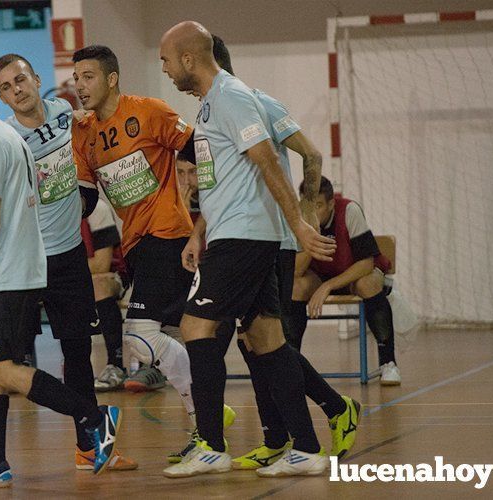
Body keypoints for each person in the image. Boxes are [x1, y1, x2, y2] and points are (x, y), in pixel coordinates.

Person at [0, 62, 121, 488]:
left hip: (23, 266)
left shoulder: (1, 138)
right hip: (11, 266)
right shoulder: (2, 135)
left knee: (11, 364)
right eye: (5, 86)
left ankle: (92, 424)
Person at [159, 21, 341, 478]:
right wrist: (200, 231)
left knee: (195, 326)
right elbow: (228, 178)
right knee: (265, 339)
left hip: (244, 235)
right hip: (234, 233)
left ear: (188, 59)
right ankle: (307, 448)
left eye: (165, 60)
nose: (163, 69)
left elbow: (266, 162)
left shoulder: (232, 97)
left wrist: (299, 224)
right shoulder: (209, 105)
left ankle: (212, 445)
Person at [205, 34, 363, 471]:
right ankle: (281, 437)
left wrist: (305, 216)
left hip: (271, 239)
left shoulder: (255, 102)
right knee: (254, 342)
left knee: (267, 343)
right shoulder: (212, 108)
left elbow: (311, 154)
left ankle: (326, 415)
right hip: (241, 237)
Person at [72, 44, 235, 458]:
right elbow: (86, 199)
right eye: (76, 78)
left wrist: (210, 212)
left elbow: (200, 148)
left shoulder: (149, 111)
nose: (80, 85)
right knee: (176, 333)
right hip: (138, 245)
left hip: (171, 236)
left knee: (141, 337)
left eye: (88, 76)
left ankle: (207, 416)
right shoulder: (84, 134)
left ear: (111, 79)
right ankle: (210, 418)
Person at [292, 175, 400, 385]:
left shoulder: (349, 211)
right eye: (307, 205)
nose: (312, 212)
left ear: (331, 203)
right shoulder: (298, 218)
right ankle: (290, 365)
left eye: (319, 206)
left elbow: (366, 263)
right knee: (296, 286)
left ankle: (389, 363)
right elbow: (296, 271)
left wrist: (328, 286)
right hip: (320, 274)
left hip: (353, 272)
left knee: (367, 283)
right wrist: (310, 235)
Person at [84, 198, 129, 392]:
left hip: (112, 276)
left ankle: (115, 365)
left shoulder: (95, 208)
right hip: (67, 279)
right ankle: (20, 363)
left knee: (99, 284)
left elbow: (101, 264)